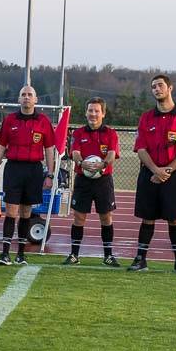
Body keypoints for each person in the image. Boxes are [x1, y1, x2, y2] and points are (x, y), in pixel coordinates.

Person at [129, 74, 176, 273]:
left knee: (174, 218)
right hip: (149, 174)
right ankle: (140, 259)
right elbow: (141, 148)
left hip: (173, 176)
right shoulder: (146, 117)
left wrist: (166, 171)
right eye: (153, 87)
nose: (156, 89)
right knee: (147, 218)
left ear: (170, 88)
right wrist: (155, 170)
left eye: (160, 85)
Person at [0, 85, 56, 266]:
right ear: (19, 99)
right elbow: (0, 148)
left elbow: (49, 149)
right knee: (11, 211)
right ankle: (4, 254)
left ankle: (21, 254)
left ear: (36, 100)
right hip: (14, 169)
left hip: (33, 170)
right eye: (23, 95)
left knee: (26, 212)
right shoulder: (10, 120)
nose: (26, 97)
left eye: (30, 95)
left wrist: (50, 174)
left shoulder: (43, 121)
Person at [66, 97, 121, 266]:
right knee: (78, 217)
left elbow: (112, 154)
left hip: (103, 180)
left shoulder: (110, 133)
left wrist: (102, 164)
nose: (93, 114)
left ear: (103, 113)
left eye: (97, 111)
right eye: (90, 110)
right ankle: (74, 255)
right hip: (83, 180)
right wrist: (83, 164)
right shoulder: (78, 133)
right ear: (85, 112)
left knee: (106, 217)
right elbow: (75, 153)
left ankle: (108, 255)